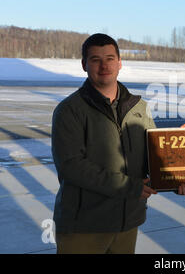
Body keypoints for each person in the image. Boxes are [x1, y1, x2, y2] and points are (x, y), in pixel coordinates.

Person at [51, 33, 158, 254]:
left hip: (127, 222)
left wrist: (179, 180)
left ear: (120, 63)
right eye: (95, 59)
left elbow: (155, 155)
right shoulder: (69, 110)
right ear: (84, 65)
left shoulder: (140, 108)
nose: (104, 66)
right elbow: (72, 166)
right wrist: (129, 187)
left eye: (110, 58)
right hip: (83, 226)